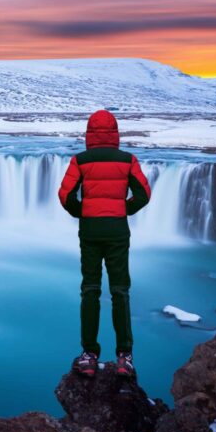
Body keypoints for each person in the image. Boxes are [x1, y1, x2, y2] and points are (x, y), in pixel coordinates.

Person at [57, 109, 151, 378]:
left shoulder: (80, 161)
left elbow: (65, 195)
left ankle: (89, 354)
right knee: (120, 290)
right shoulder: (127, 160)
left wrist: (81, 212)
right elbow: (144, 194)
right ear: (115, 133)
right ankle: (125, 356)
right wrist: (124, 210)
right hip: (118, 232)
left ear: (89, 133)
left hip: (90, 233)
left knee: (90, 290)